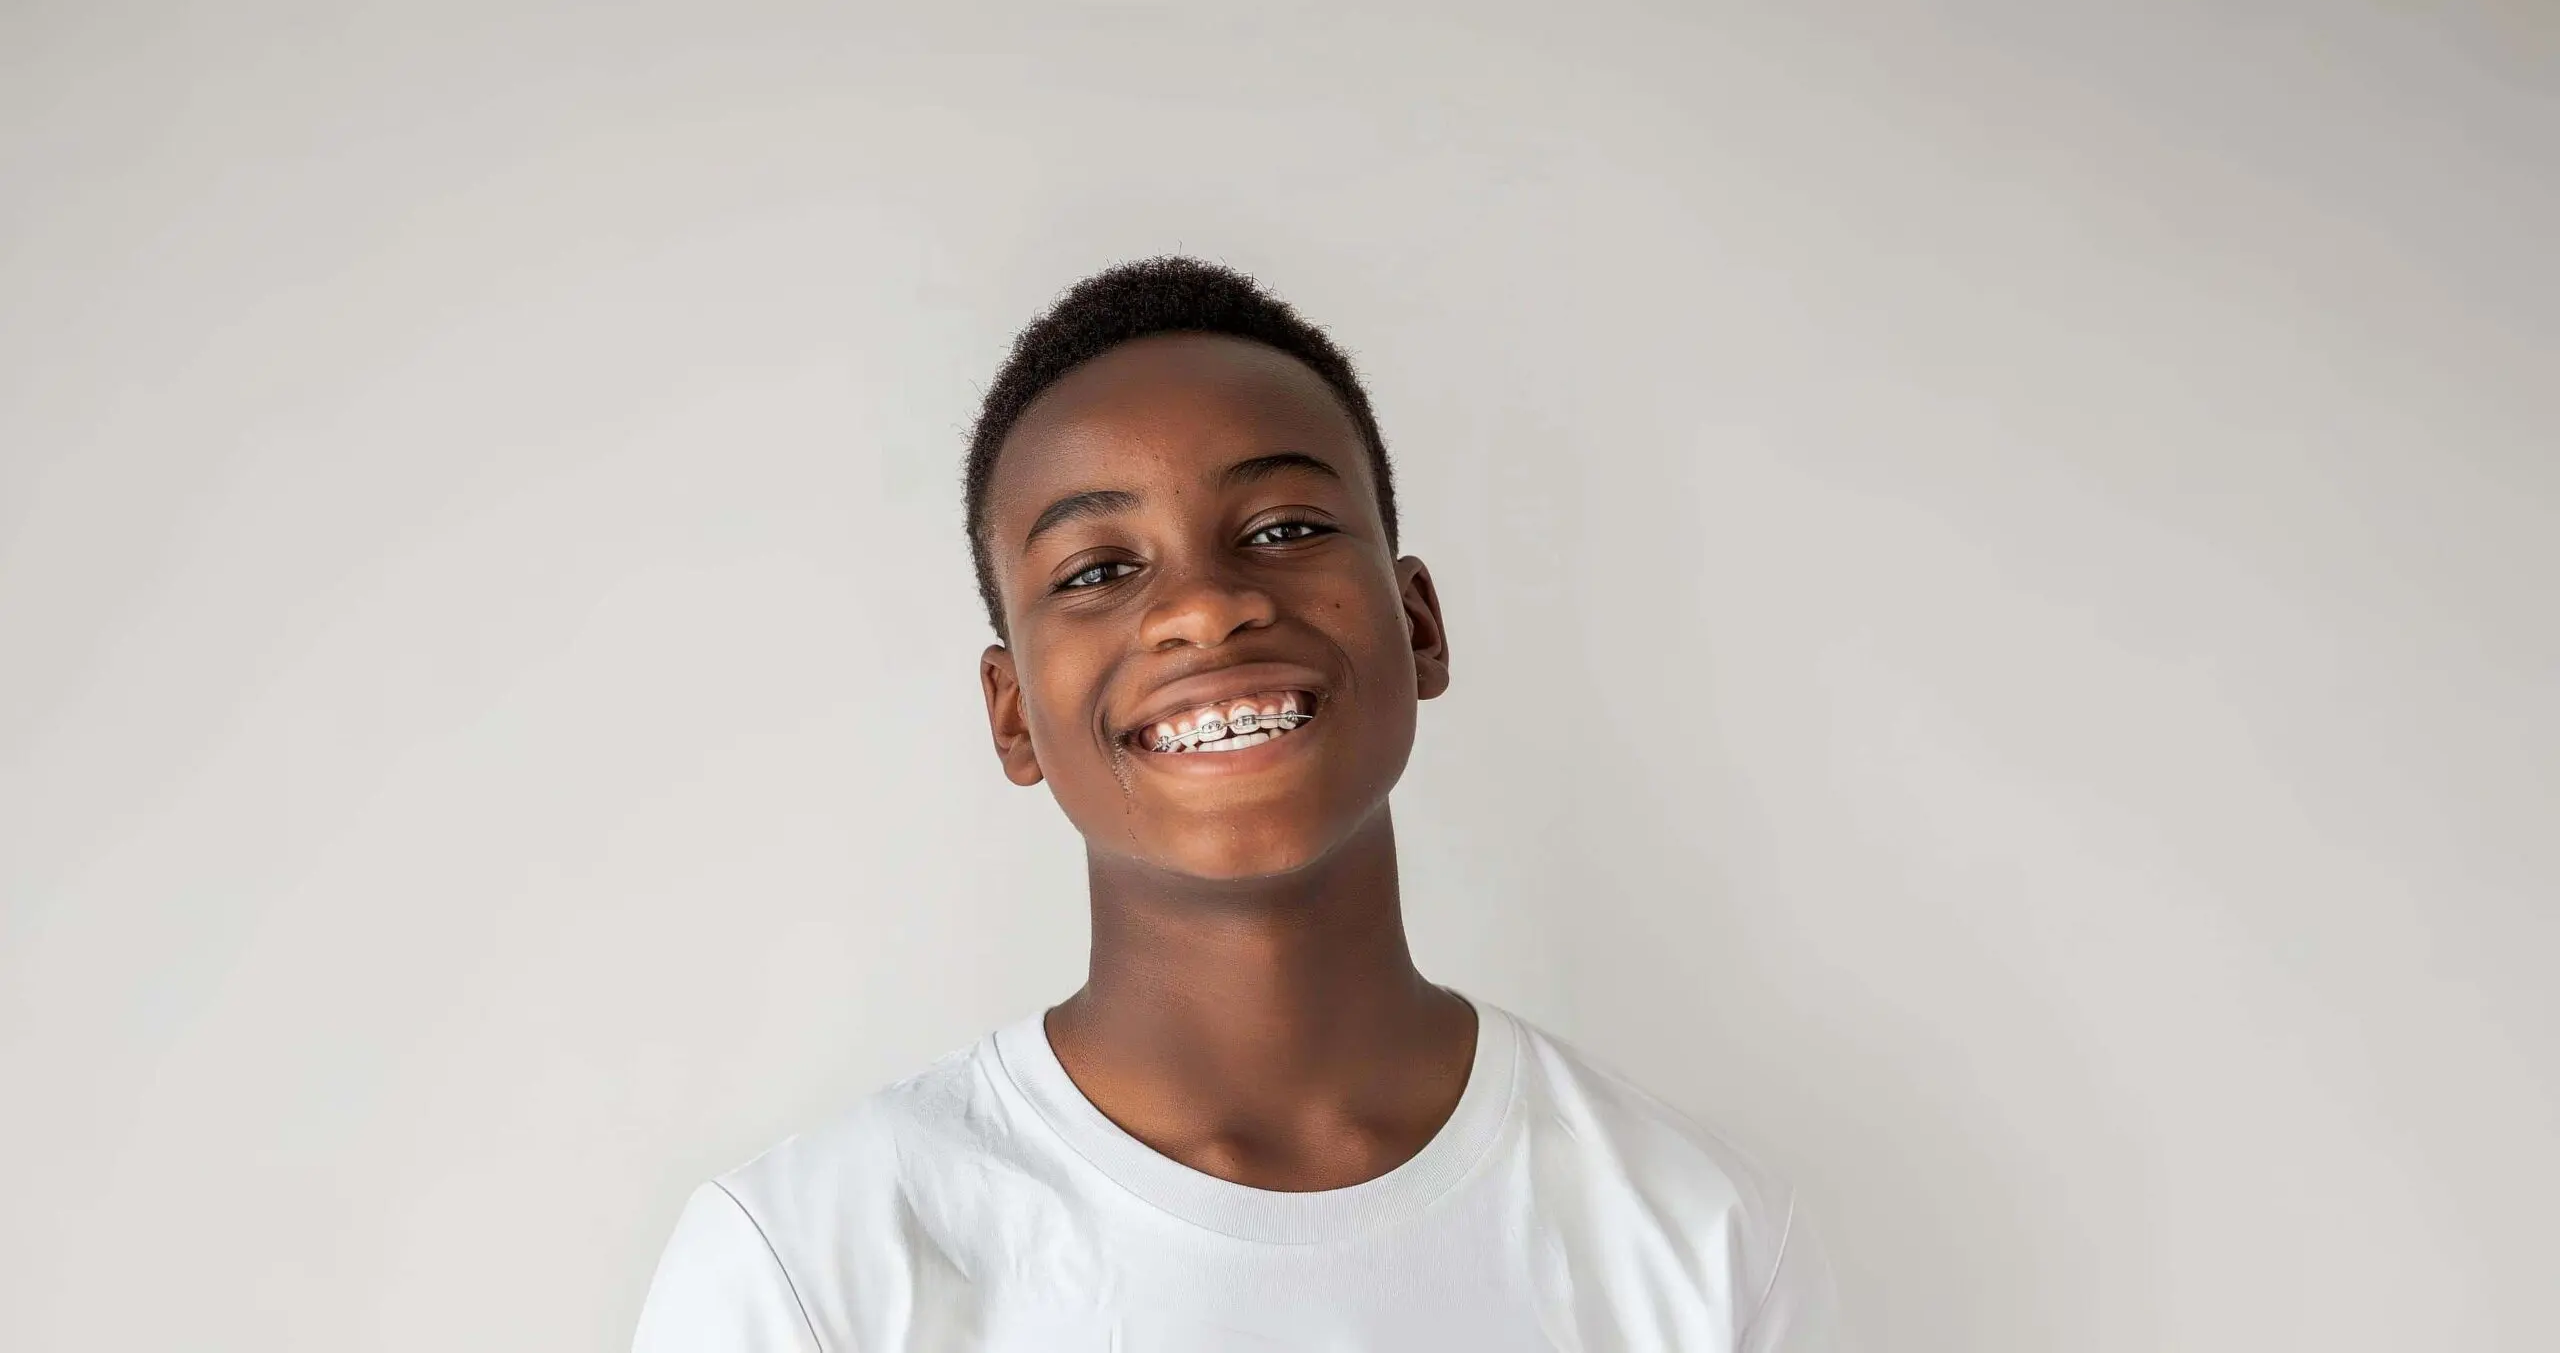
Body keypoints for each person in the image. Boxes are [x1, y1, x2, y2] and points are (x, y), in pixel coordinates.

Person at [631, 256, 1844, 1351]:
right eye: (1099, 569)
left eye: (1284, 527)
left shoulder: (1702, 1234)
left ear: (1418, 623)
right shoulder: (807, 1267)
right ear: (1013, 715)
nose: (1204, 606)